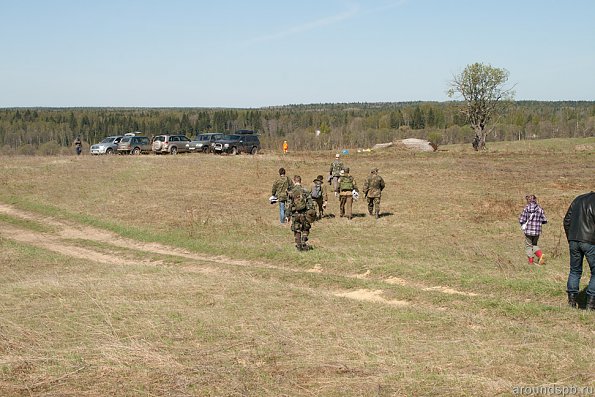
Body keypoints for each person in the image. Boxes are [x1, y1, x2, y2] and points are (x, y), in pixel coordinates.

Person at [563, 191, 595, 310]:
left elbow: (566, 220)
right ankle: (591, 303)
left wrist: (570, 239)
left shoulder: (578, 199)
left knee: (574, 271)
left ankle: (572, 301)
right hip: (590, 242)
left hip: (574, 240)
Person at [518, 194, 547, 265]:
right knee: (534, 244)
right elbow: (544, 220)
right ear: (535, 200)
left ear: (528, 200)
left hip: (528, 231)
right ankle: (540, 255)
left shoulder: (526, 208)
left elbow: (522, 219)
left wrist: (523, 224)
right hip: (537, 231)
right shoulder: (540, 209)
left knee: (528, 245)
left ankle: (531, 261)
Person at [287, 175, 315, 251]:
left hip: (295, 213)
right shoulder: (305, 190)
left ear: (294, 181)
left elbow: (289, 204)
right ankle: (303, 240)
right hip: (304, 213)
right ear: (300, 181)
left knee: (297, 229)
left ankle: (299, 245)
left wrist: (287, 215)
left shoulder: (291, 191)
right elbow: (310, 203)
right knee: (305, 228)